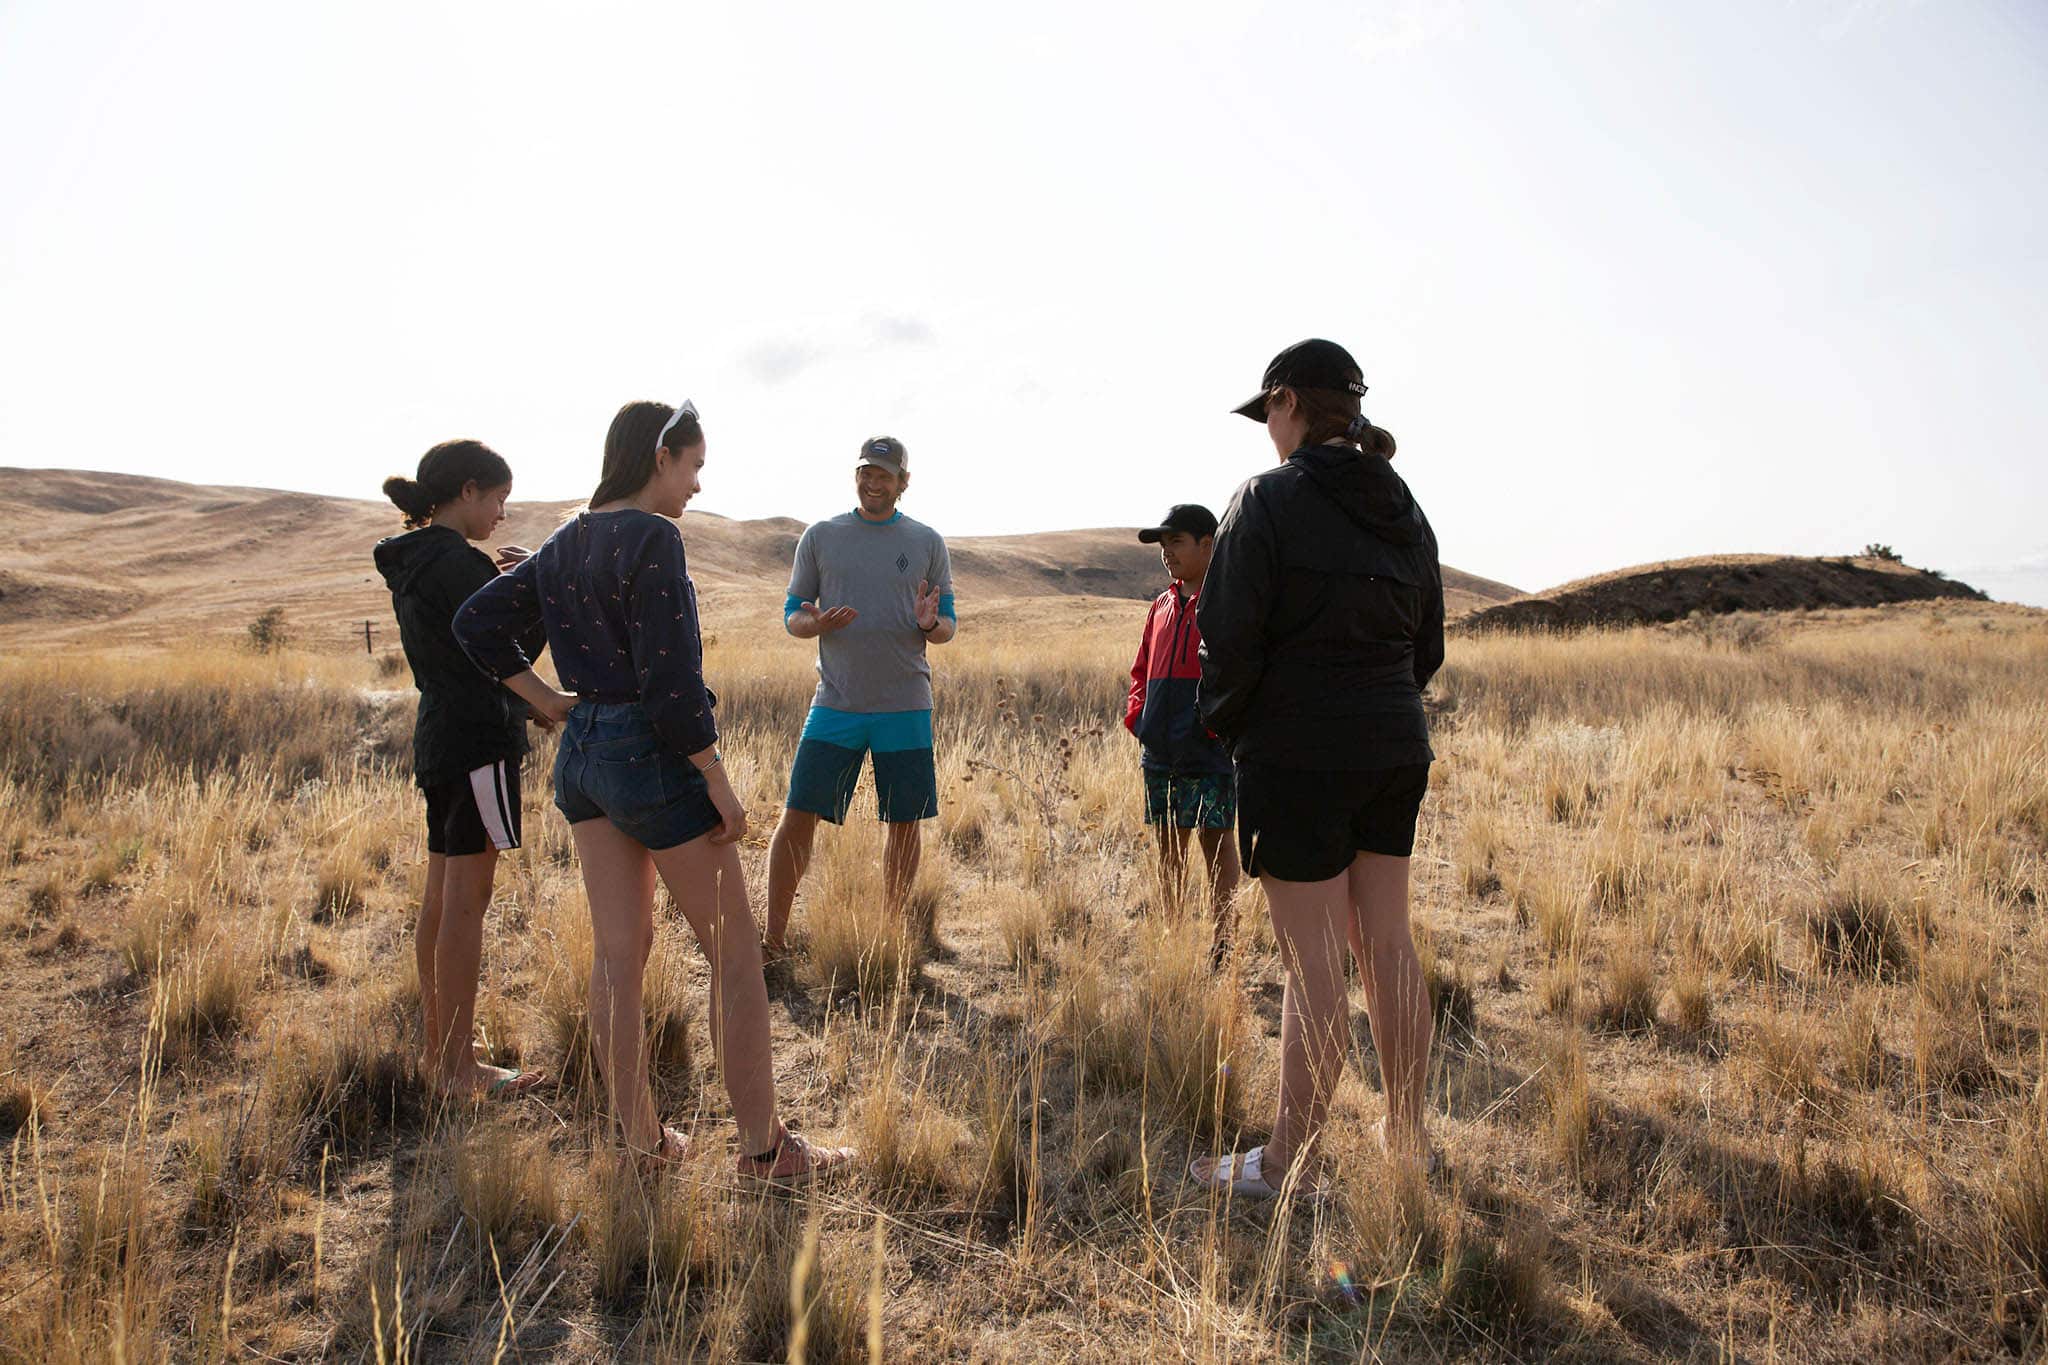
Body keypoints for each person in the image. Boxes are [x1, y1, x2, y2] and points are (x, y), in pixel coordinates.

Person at [456, 399, 854, 1182]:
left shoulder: (566, 540)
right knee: (735, 951)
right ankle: (765, 1151)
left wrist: (544, 699)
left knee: (618, 955)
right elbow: (671, 682)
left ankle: (640, 1142)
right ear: (660, 455)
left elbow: (477, 623)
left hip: (585, 757)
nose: (697, 485)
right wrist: (717, 780)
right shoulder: (652, 536)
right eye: (694, 465)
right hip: (653, 752)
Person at [1189, 339, 1446, 1197]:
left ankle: (1285, 1162)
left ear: (1289, 401)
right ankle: (1406, 1141)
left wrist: (1233, 729)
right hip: (1394, 743)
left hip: (1299, 755)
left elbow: (1226, 639)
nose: (1266, 429)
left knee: (1314, 961)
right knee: (1388, 944)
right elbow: (1428, 644)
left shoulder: (1264, 499)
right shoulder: (1404, 504)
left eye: (1268, 412)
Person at [375, 440, 548, 1101]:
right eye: (500, 499)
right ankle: (456, 1068)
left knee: (443, 896)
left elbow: (470, 656)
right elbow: (505, 648)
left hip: (442, 733)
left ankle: (439, 1049)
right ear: (470, 490)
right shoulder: (457, 563)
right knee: (467, 903)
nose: (502, 513)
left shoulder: (416, 560)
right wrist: (534, 589)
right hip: (478, 740)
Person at [763, 436, 956, 954]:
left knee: (903, 822)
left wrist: (930, 621)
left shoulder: (927, 542)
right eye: (866, 472)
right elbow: (792, 614)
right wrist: (815, 620)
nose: (874, 482)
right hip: (836, 704)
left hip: (905, 706)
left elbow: (947, 627)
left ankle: (890, 933)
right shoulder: (822, 536)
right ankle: (773, 937)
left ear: (903, 483)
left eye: (885, 475)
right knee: (799, 813)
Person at [1124, 503, 1242, 953]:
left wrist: (1218, 729)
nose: (1166, 552)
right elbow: (1140, 672)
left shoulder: (1229, 602)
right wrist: (1141, 719)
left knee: (1217, 845)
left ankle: (1224, 941)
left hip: (1211, 751)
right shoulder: (1161, 605)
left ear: (1207, 544)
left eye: (1175, 541)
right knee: (1169, 847)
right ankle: (1171, 940)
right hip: (1161, 751)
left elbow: (1243, 673)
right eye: (1162, 544)